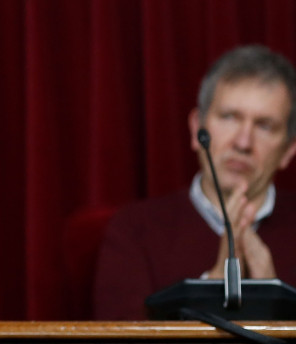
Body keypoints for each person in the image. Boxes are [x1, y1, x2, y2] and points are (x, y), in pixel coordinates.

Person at [92, 44, 296, 319]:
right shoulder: (135, 229)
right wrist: (214, 286)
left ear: (288, 150)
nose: (243, 142)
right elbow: (117, 333)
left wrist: (278, 305)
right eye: (229, 117)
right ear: (196, 128)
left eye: (264, 126)